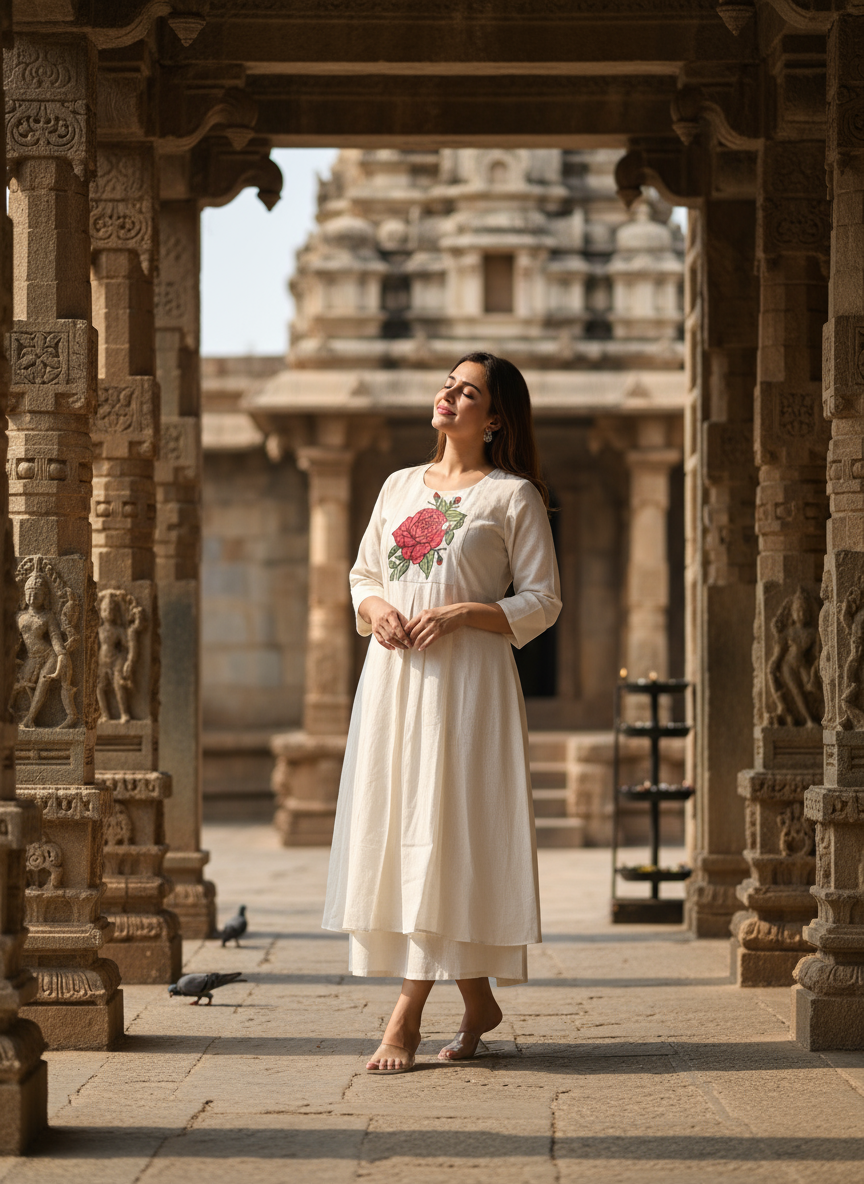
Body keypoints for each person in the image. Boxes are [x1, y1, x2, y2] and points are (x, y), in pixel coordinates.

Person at [322, 351, 561, 1074]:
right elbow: (364, 573)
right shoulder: (398, 485)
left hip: (468, 688)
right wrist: (377, 610)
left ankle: (405, 1018)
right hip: (393, 682)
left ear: (495, 419)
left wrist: (463, 613)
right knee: (405, 829)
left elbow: (543, 599)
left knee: (446, 830)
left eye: (469, 392)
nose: (448, 395)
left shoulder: (513, 497)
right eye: (448, 384)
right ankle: (478, 1000)